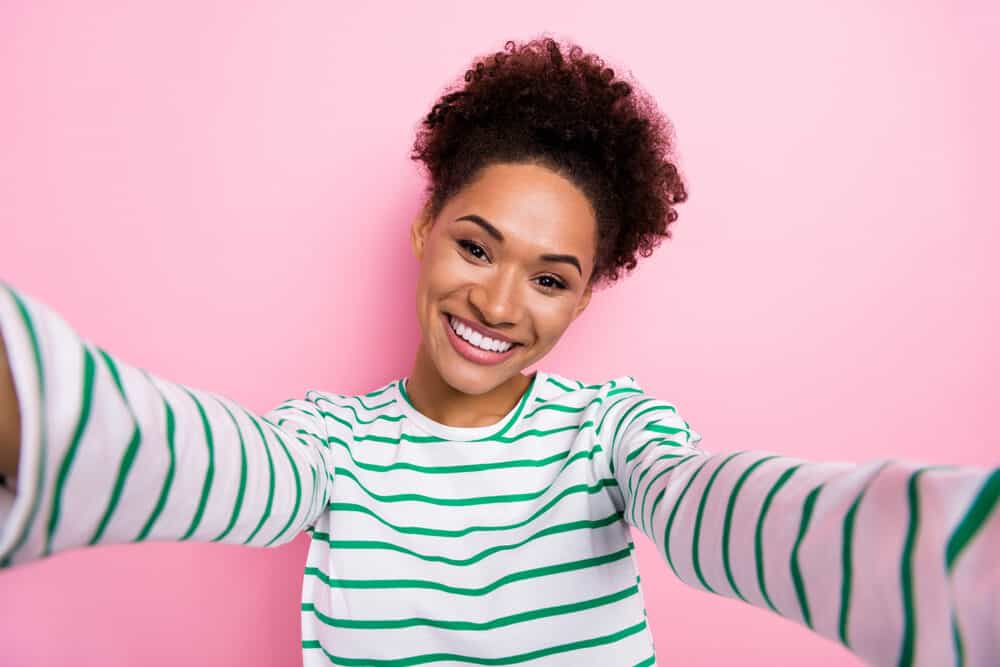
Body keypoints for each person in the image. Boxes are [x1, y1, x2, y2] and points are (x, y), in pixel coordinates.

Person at [0, 36, 995, 667]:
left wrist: (951, 568)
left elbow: (722, 509)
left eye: (550, 276)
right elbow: (200, 462)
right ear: (425, 228)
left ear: (583, 296)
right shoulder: (324, 444)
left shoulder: (612, 434)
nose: (498, 301)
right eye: (477, 245)